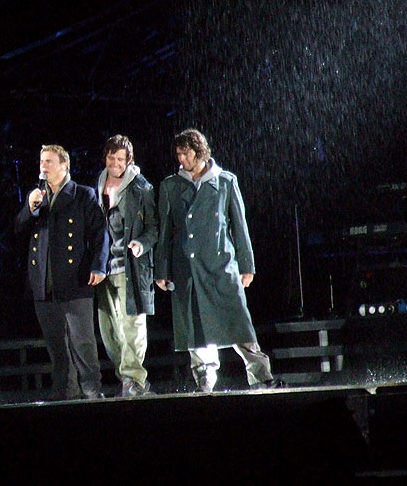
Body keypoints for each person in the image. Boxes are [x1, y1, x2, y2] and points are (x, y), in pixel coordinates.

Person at [153, 129, 281, 392]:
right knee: (197, 329)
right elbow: (165, 232)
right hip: (188, 268)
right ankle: (205, 381)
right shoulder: (170, 186)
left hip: (222, 266)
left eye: (185, 153)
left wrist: (247, 266)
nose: (181, 158)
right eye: (178, 153)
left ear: (199, 152)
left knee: (238, 323)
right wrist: (162, 269)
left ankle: (261, 376)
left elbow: (239, 226)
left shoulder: (225, 181)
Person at [15, 144, 109, 400]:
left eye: (49, 161)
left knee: (83, 344)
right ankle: (64, 392)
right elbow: (18, 231)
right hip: (43, 284)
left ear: (64, 165)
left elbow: (100, 234)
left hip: (75, 281)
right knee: (57, 346)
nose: (43, 166)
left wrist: (99, 265)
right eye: (41, 161)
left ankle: (91, 390)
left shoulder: (82, 195)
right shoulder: (37, 197)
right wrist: (30, 209)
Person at [94, 135, 159, 397]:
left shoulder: (140, 188)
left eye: (120, 159)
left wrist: (141, 244)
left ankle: (134, 378)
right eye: (111, 158)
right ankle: (127, 378)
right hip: (105, 268)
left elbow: (154, 227)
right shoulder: (98, 184)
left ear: (128, 160)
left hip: (130, 268)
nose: (115, 163)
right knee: (110, 330)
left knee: (132, 325)